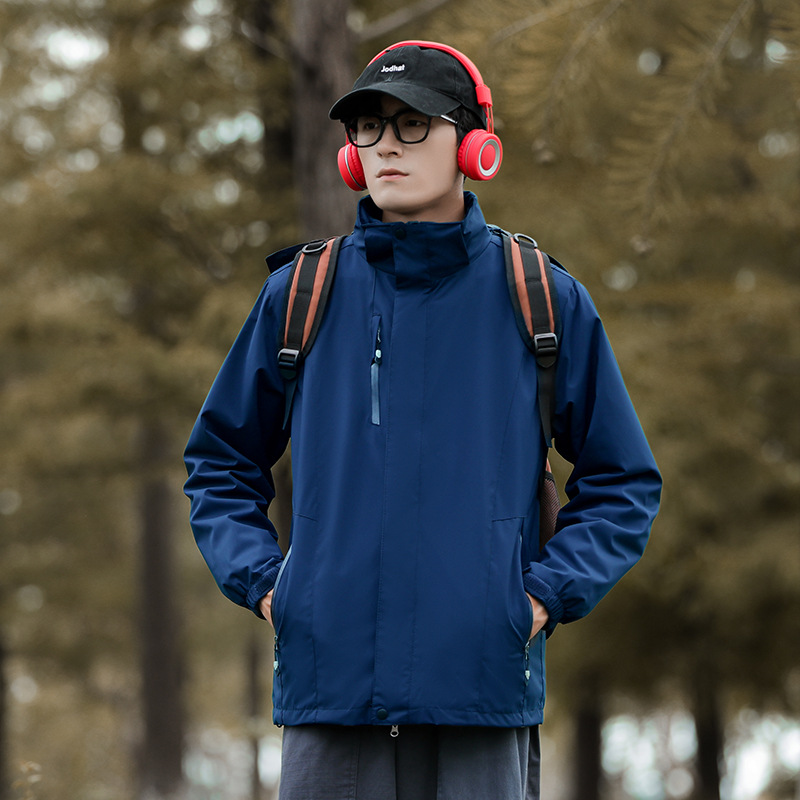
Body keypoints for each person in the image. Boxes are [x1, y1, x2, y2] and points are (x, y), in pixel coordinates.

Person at [184, 40, 662, 800]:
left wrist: (539, 599)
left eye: (413, 125)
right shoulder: (299, 296)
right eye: (368, 127)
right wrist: (272, 586)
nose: (386, 146)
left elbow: (623, 482)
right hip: (331, 697)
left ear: (474, 146)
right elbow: (219, 462)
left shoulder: (542, 298)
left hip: (481, 695)